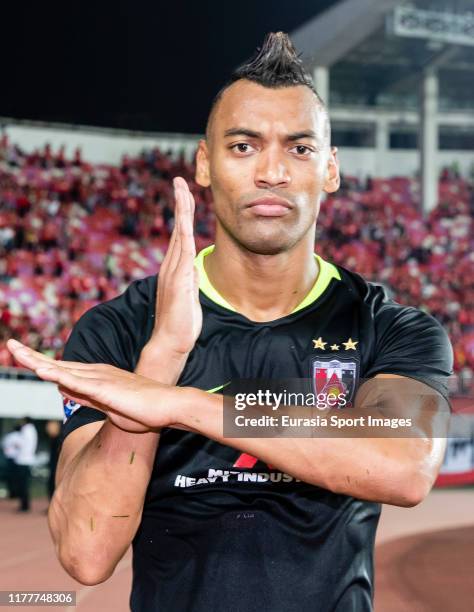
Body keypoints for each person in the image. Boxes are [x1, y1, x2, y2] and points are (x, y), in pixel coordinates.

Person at [8, 32, 452, 612]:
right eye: (243, 147)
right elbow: (86, 553)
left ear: (331, 169)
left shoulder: (395, 329)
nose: (272, 172)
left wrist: (182, 405)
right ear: (205, 163)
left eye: (298, 148)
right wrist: (163, 356)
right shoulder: (121, 329)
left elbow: (405, 466)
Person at [15, 416, 38, 512]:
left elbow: (21, 444)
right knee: (24, 484)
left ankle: (24, 505)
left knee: (23, 485)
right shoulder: (32, 430)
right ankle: (25, 505)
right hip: (27, 459)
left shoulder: (26, 430)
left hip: (23, 460)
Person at [1, 424, 21, 498]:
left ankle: (12, 493)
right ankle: (16, 493)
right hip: (17, 459)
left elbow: (4, 445)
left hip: (9, 459)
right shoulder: (20, 436)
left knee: (10, 477)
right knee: (17, 477)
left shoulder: (9, 436)